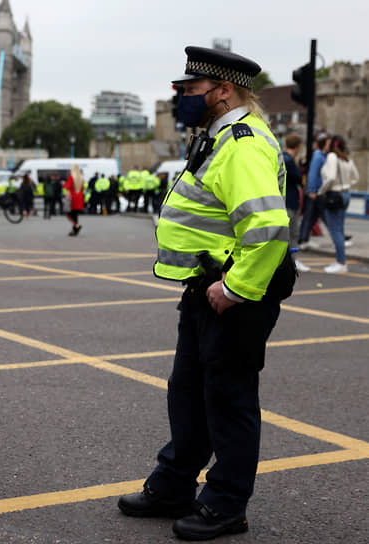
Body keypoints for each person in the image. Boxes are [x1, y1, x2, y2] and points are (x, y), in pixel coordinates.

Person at [117, 46, 292, 541]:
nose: (181, 99)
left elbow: (268, 224)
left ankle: (225, 504)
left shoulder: (241, 143)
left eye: (190, 91)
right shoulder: (215, 138)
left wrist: (235, 289)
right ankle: (174, 483)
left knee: (229, 397)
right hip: (206, 286)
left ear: (222, 91)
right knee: (188, 392)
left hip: (234, 291)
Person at [319, 134, 359, 273]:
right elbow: (357, 177)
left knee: (335, 230)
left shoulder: (332, 157)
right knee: (340, 229)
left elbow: (330, 178)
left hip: (334, 195)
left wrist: (321, 190)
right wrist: (347, 185)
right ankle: (341, 261)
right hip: (345, 194)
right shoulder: (347, 158)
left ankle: (341, 262)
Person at [282, 133, 309, 272]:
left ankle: (289, 261)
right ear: (298, 146)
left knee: (287, 234)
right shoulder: (289, 161)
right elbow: (299, 179)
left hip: (284, 200)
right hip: (290, 201)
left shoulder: (281, 157)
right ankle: (292, 262)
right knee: (292, 234)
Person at [298, 132, 330, 250]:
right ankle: (302, 239)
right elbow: (312, 174)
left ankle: (304, 239)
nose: (329, 145)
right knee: (312, 216)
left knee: (312, 217)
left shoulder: (321, 155)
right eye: (327, 143)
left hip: (317, 192)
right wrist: (311, 190)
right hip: (315, 192)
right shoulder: (318, 155)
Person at [63, 163, 85, 236]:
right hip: (79, 197)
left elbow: (67, 186)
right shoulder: (82, 177)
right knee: (75, 214)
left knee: (68, 213)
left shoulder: (71, 177)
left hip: (73, 197)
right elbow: (83, 188)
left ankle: (76, 225)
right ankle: (75, 230)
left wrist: (63, 184)